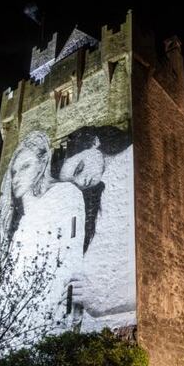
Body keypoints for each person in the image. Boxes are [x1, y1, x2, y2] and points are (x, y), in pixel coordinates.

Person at [0, 131, 85, 351]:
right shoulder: (18, 226)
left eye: (25, 167)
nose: (15, 178)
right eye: (13, 171)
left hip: (50, 325)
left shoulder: (65, 195)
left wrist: (67, 317)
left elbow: (72, 260)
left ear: (42, 164)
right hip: (11, 333)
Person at [50, 125, 135, 332]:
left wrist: (101, 300)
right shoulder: (104, 191)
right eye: (74, 182)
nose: (82, 181)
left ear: (95, 142)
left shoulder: (133, 162)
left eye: (78, 169)